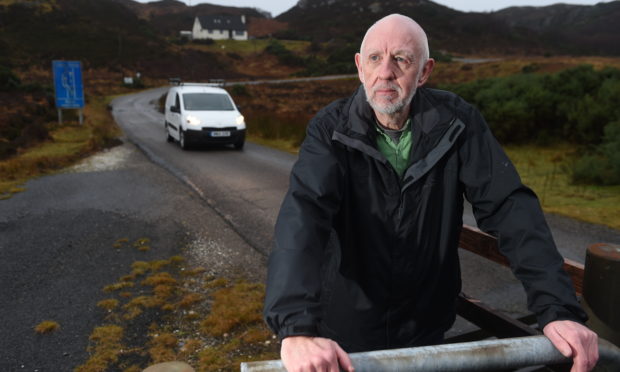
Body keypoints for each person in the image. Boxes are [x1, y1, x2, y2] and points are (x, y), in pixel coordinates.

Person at [264, 13, 599, 372]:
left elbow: (510, 208)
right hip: (347, 324)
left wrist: (557, 309)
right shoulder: (330, 128)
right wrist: (296, 328)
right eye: (375, 58)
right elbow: (304, 214)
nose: (386, 72)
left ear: (424, 72)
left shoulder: (456, 121)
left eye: (402, 60)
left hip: (426, 326)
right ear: (360, 67)